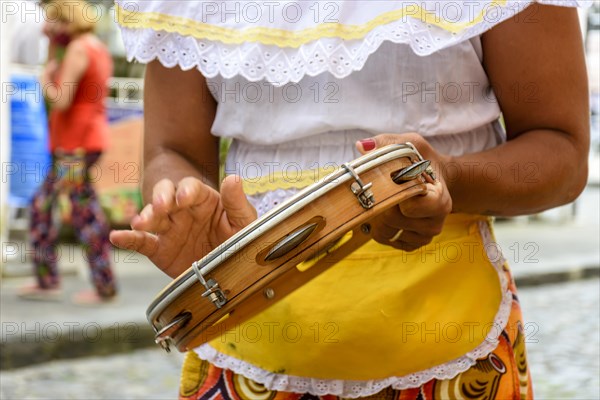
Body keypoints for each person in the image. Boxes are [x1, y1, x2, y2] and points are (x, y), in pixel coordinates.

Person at [110, 1, 590, 398]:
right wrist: (181, 201)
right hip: (244, 351)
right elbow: (170, 150)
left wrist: (451, 177)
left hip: (451, 353)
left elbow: (560, 151)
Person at [18, 0, 117, 304]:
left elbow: (60, 98)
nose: (51, 29)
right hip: (82, 143)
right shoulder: (95, 47)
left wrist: (45, 80)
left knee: (65, 211)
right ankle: (91, 284)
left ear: (67, 20)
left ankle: (92, 285)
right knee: (68, 209)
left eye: (54, 22)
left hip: (75, 147)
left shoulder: (77, 49)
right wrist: (51, 46)